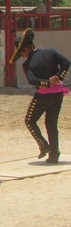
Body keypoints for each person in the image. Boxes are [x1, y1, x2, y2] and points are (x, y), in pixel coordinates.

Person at [9, 28, 70, 163]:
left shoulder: (27, 64)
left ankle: (43, 145)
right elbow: (66, 63)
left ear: (26, 49)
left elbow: (32, 80)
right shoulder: (50, 52)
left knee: (29, 120)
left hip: (43, 95)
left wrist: (47, 83)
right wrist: (58, 77)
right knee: (51, 123)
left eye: (21, 53)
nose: (22, 56)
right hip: (58, 93)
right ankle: (54, 154)